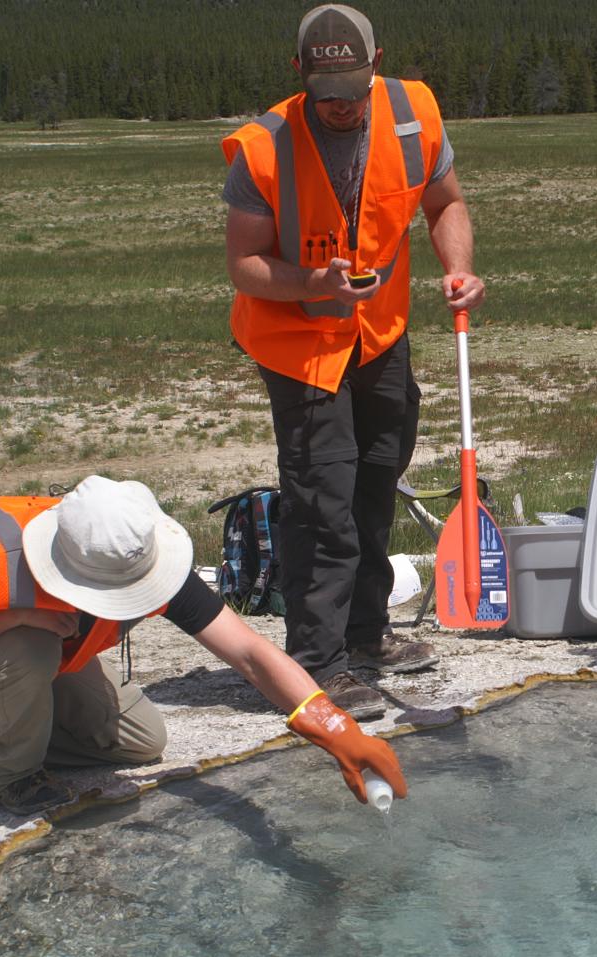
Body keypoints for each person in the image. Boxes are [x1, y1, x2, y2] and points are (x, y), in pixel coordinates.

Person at [220, 4, 483, 720]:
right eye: (325, 91)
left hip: (381, 332)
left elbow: (446, 203)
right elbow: (244, 264)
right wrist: (313, 284)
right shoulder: (264, 146)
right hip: (299, 341)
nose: (340, 106)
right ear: (298, 73)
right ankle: (316, 663)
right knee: (322, 499)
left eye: (353, 90)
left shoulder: (413, 111)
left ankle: (367, 631)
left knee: (377, 477)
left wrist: (457, 268)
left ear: (376, 66)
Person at [0, 475, 406, 816]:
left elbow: (248, 652)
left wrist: (332, 726)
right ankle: (6, 776)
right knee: (26, 649)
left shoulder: (134, 548)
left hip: (40, 657)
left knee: (140, 741)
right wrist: (18, 616)